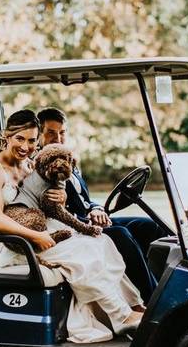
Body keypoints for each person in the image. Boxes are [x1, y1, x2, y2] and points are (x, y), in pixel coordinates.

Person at [0, 109, 144, 343]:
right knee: (83, 251)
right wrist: (36, 237)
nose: (26, 146)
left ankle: (134, 305)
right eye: (20, 139)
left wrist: (61, 199)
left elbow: (45, 199)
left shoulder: (29, 165)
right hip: (10, 241)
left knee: (102, 240)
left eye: (32, 140)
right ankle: (120, 317)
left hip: (40, 228)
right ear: (6, 136)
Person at [37, 107, 168, 301]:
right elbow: (55, 209)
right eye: (51, 133)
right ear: (39, 135)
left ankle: (160, 283)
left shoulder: (69, 159)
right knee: (121, 235)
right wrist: (86, 220)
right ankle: (152, 297)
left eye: (62, 133)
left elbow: (86, 200)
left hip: (89, 220)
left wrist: (96, 209)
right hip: (73, 228)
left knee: (150, 227)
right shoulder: (43, 166)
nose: (58, 138)